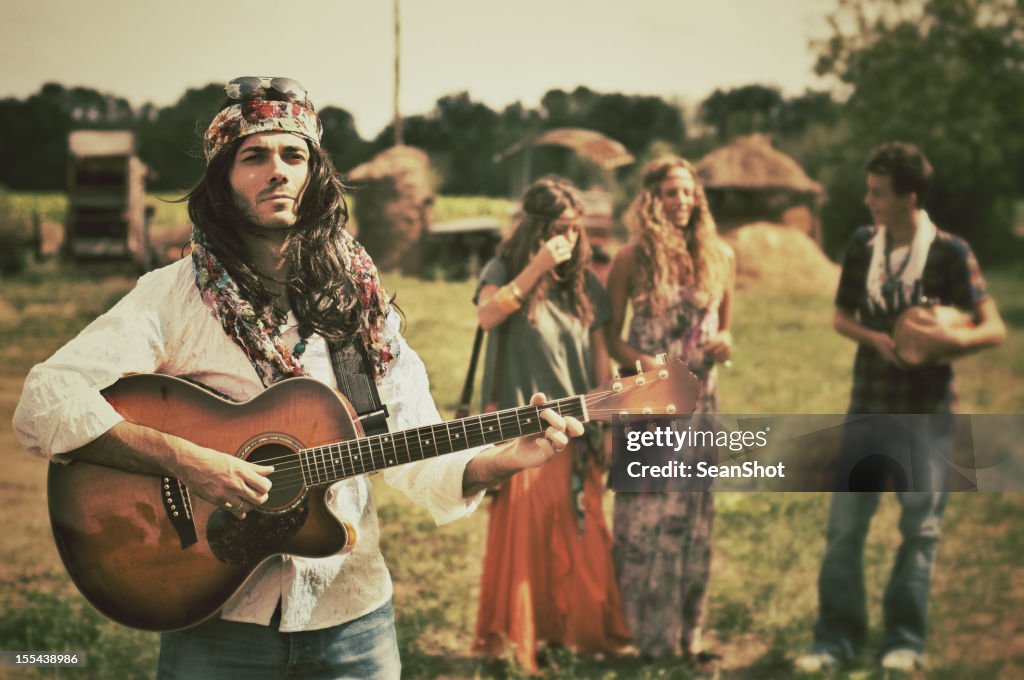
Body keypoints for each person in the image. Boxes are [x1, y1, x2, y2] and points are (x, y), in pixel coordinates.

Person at [12, 77, 584, 680]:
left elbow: (413, 445)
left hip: (352, 620)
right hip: (217, 626)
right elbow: (45, 401)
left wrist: (500, 461)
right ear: (221, 178)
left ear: (315, 174)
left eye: (294, 154)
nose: (277, 171)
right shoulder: (173, 297)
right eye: (253, 156)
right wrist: (186, 460)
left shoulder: (358, 301)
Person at [795, 142, 1006, 674]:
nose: (868, 202)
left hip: (928, 416)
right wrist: (878, 338)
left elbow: (994, 327)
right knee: (845, 529)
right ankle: (834, 640)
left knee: (920, 531)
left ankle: (904, 641)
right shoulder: (864, 246)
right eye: (869, 191)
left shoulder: (951, 253)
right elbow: (841, 318)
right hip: (867, 408)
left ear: (910, 197)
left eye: (878, 193)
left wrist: (944, 341)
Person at [472, 177, 631, 673]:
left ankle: (571, 634)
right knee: (529, 534)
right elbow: (487, 316)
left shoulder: (586, 285)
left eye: (576, 229)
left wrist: (608, 421)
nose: (572, 239)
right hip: (523, 428)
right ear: (537, 229)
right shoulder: (506, 269)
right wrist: (537, 267)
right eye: (561, 229)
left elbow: (602, 363)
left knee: (582, 534)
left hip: (580, 430)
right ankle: (523, 637)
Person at [604, 156, 734, 664]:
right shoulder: (630, 258)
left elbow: (725, 328)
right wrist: (652, 369)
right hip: (649, 397)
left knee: (693, 517)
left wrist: (725, 343)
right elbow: (611, 335)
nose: (681, 201)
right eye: (670, 193)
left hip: (702, 403)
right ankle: (642, 637)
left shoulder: (721, 254)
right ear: (652, 200)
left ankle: (688, 635)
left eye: (688, 191)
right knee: (643, 520)